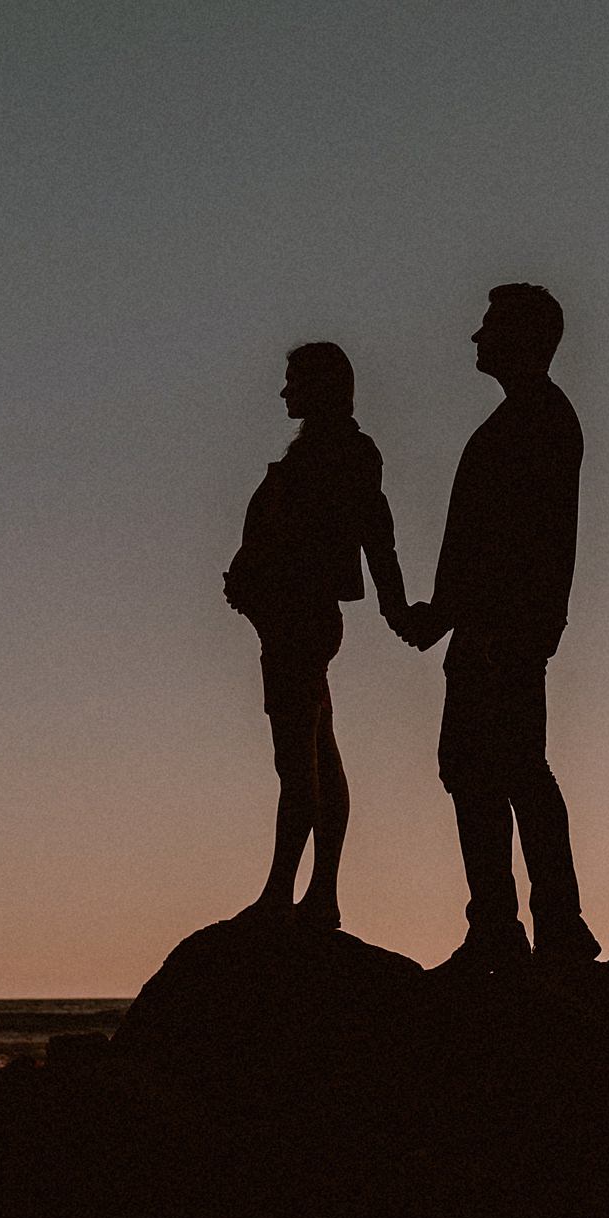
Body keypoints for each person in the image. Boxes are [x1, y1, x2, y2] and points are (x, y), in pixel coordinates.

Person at [393, 284, 601, 970]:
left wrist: (464, 618)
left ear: (521, 337)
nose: (475, 338)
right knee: (487, 768)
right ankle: (520, 926)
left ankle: (530, 929)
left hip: (501, 628)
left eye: (487, 327)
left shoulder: (536, 421)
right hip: (492, 625)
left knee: (503, 769)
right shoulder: (529, 418)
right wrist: (445, 616)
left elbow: (513, 541)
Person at [222, 341, 408, 930]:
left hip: (299, 621)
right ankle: (310, 893)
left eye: (293, 381)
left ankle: (291, 892)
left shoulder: (344, 453)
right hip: (287, 620)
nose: (284, 392)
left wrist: (397, 608)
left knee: (298, 760)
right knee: (315, 754)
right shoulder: (322, 452)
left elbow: (374, 532)